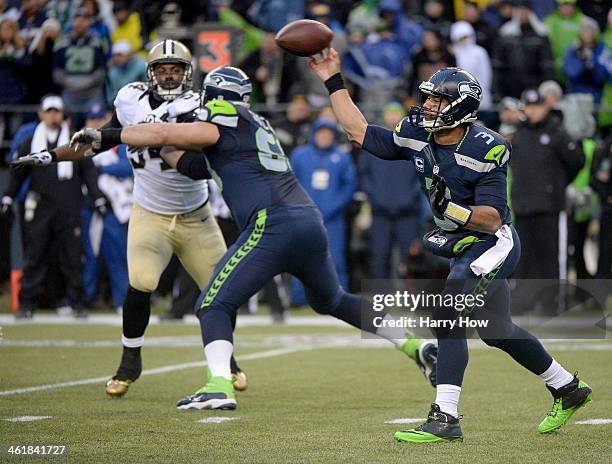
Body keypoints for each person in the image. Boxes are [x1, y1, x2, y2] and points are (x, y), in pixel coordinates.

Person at [63, 65, 439, 411]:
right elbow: (192, 164)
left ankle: (219, 386)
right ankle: (414, 344)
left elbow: (167, 132)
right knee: (334, 300)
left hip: (271, 222)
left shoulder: (223, 116)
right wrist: (162, 146)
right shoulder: (253, 123)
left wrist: (110, 135)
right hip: (306, 220)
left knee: (212, 305)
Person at [307, 49, 592, 442]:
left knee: (448, 314)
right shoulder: (418, 132)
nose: (426, 106)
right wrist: (332, 79)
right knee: (497, 330)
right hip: (461, 241)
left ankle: (445, 417)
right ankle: (568, 388)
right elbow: (359, 132)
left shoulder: (486, 147)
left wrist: (452, 210)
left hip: (492, 243)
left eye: (436, 100)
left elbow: (492, 217)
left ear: (459, 107)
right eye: (427, 98)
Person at [12, 40, 245, 397]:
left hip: (196, 214)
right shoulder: (130, 100)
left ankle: (226, 360)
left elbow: (199, 158)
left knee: (221, 292)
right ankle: (129, 360)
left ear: (188, 74)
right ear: (151, 73)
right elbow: (97, 140)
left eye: (176, 70)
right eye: (163, 70)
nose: (169, 76)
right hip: (149, 211)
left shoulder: (199, 106)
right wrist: (49, 156)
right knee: (141, 282)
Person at [1, 95, 106, 318]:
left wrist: (97, 197)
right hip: (41, 205)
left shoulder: (75, 141)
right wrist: (8, 196)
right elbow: (18, 173)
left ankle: (76, 303)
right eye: (48, 111)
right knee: (35, 255)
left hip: (69, 205)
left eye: (56, 111)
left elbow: (87, 171)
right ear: (40, 113)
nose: (52, 115)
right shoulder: (30, 142)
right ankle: (27, 304)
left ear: (62, 114)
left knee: (72, 256)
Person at [511, 88, 584, 283]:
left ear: (545, 107)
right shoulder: (518, 134)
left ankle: (552, 303)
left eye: (537, 106)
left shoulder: (557, 132)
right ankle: (524, 302)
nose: (533, 111)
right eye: (529, 106)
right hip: (523, 206)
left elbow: (577, 160)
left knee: (550, 256)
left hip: (549, 206)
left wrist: (557, 184)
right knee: (523, 257)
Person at [290, 118, 356, 303]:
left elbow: (349, 186)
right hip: (304, 217)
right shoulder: (300, 155)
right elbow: (288, 183)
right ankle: (299, 298)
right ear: (314, 134)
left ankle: (339, 297)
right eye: (321, 133)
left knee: (335, 258)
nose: (324, 137)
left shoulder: (342, 157)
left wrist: (332, 207)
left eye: (328, 133)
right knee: (301, 258)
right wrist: (300, 207)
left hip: (333, 218)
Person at [359, 103, 425, 279]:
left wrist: (409, 198)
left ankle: (412, 299)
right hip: (380, 212)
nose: (393, 117)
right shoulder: (373, 144)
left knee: (411, 256)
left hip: (408, 212)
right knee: (380, 255)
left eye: (397, 113)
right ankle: (381, 299)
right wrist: (376, 198)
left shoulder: (415, 143)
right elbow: (365, 176)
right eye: (390, 113)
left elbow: (422, 175)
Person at [81, 104, 132, 312]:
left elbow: (128, 167)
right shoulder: (80, 144)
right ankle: (84, 300)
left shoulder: (117, 143)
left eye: (99, 118)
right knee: (87, 256)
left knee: (118, 256)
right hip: (88, 207)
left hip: (114, 209)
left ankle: (122, 301)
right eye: (91, 119)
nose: (95, 123)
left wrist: (99, 168)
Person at [52, 7, 106, 129]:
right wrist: (74, 85)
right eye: (78, 19)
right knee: (65, 126)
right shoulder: (62, 42)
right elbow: (57, 72)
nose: (81, 23)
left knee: (97, 126)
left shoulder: (97, 41)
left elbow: (101, 71)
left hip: (92, 93)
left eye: (85, 19)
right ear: (73, 21)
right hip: (69, 93)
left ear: (89, 22)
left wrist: (83, 84)